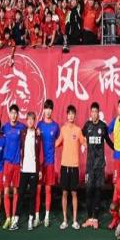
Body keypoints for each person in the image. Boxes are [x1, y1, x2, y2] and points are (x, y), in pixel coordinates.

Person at [81, 102, 114, 229]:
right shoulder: (87, 126)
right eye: (92, 111)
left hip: (100, 166)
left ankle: (95, 218)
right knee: (88, 190)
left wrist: (118, 149)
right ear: (91, 113)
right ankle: (89, 218)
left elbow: (108, 141)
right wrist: (82, 143)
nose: (94, 114)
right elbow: (80, 136)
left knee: (98, 191)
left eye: (96, 111)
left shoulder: (103, 126)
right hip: (89, 166)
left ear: (98, 113)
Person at [56, 105, 85, 230]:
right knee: (64, 193)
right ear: (67, 115)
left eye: (73, 114)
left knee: (74, 193)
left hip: (74, 166)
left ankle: (74, 221)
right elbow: (57, 143)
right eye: (69, 114)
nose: (71, 116)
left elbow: (84, 142)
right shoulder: (63, 129)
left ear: (75, 115)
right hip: (64, 166)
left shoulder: (78, 130)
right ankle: (64, 220)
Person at [16, 112, 43, 230]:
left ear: (35, 121)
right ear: (26, 121)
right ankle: (16, 220)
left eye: (32, 119)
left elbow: (40, 153)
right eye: (29, 119)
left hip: (34, 170)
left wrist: (40, 170)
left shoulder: (38, 134)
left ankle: (31, 220)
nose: (30, 121)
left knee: (33, 195)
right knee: (20, 194)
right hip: (24, 169)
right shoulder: (23, 133)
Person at [35, 99, 60, 228]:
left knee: (48, 189)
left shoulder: (55, 126)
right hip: (39, 163)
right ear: (43, 110)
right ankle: (37, 216)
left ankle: (46, 217)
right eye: (46, 108)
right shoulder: (39, 125)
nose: (48, 111)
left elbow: (60, 140)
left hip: (50, 163)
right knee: (38, 189)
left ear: (52, 110)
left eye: (50, 108)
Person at [1, 104, 26, 230]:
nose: (14, 115)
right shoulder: (4, 128)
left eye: (16, 113)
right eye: (12, 113)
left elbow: (31, 132)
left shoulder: (22, 127)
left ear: (18, 114)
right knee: (6, 191)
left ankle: (14, 217)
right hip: (7, 164)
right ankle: (8, 217)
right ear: (9, 114)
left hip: (16, 164)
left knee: (16, 191)